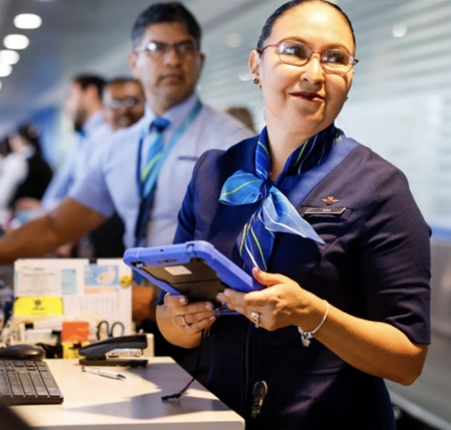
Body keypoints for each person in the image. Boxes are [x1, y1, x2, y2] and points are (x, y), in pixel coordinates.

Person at [157, 1, 431, 428]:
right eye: (295, 50)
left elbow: (407, 360)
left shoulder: (379, 188)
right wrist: (181, 321)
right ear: (256, 65)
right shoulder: (213, 172)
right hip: (214, 416)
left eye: (335, 58)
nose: (315, 73)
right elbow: (169, 314)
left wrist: (312, 314)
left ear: (350, 77)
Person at [0, 2, 253, 326]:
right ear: (134, 62)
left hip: (203, 319)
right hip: (130, 307)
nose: (171, 59)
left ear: (199, 61)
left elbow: (248, 251)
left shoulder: (233, 140)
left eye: (184, 48)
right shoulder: (119, 147)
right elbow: (56, 226)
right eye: (156, 48)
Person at [34, 74, 111, 212]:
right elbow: (63, 180)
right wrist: (43, 208)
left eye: (70, 95)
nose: (64, 106)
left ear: (90, 93)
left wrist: (46, 207)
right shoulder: (82, 137)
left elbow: (91, 196)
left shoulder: (106, 134)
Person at [88, 77, 146, 258]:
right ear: (103, 111)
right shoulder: (98, 150)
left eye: (132, 101)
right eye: (114, 103)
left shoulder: (158, 150)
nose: (123, 109)